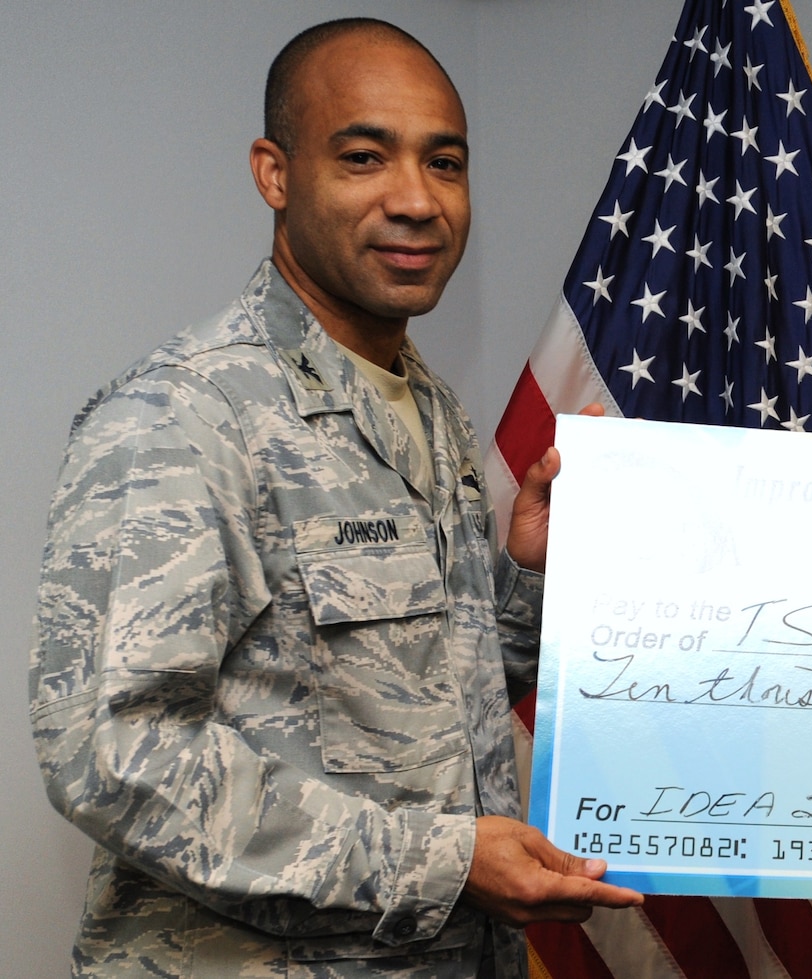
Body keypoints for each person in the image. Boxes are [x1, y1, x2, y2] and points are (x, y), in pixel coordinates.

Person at [28, 18, 641, 977]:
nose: (417, 200)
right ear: (275, 174)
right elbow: (117, 756)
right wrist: (441, 859)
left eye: (446, 162)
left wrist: (519, 581)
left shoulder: (425, 403)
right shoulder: (182, 416)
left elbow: (413, 695)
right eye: (364, 157)